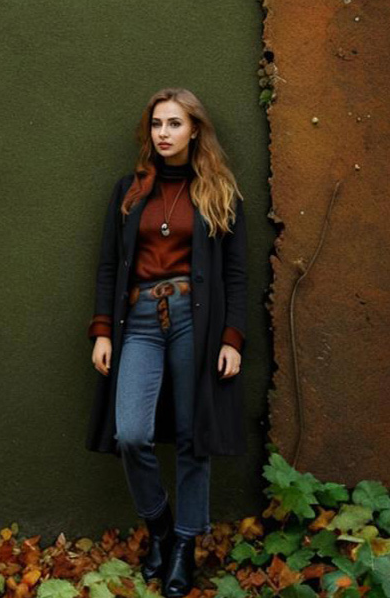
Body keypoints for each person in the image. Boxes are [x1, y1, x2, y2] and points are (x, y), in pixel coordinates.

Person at [86, 86, 248, 598]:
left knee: (190, 435)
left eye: (175, 123)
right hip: (138, 319)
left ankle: (183, 546)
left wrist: (232, 338)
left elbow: (237, 274)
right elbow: (110, 265)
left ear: (194, 129)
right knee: (130, 432)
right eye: (157, 124)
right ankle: (159, 525)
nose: (164, 133)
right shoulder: (129, 191)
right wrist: (103, 330)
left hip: (194, 323)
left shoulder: (217, 190)